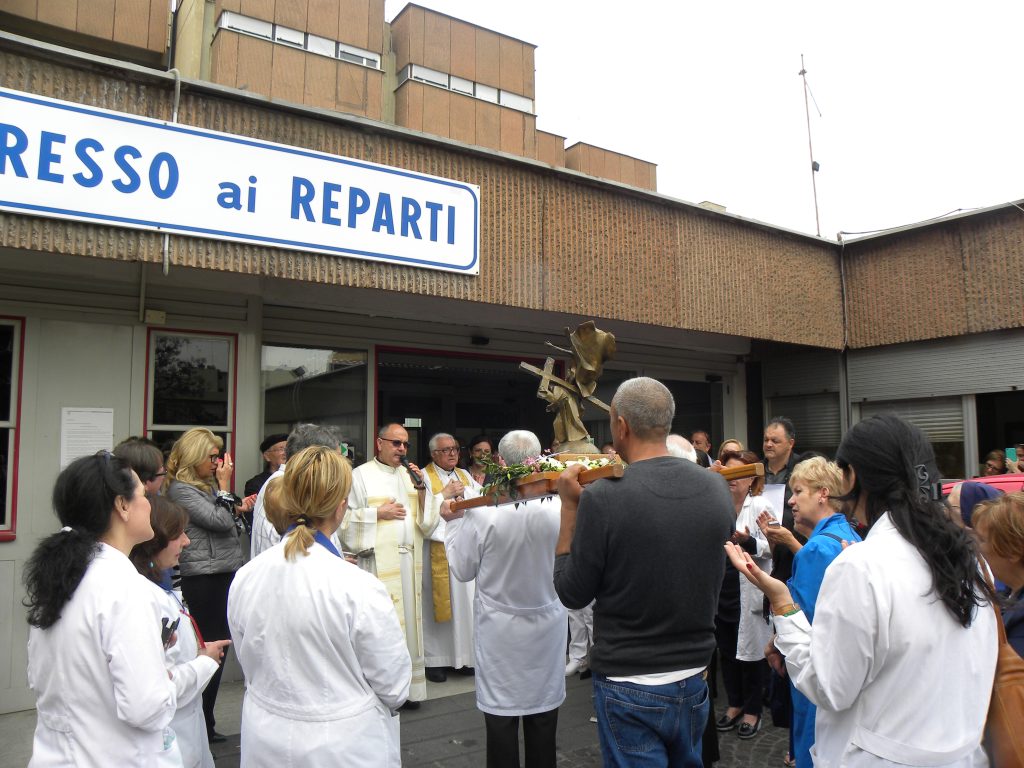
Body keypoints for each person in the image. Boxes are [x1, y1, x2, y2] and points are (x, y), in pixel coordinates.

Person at [726, 413, 997, 766]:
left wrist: (783, 606)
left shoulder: (861, 564)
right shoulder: (971, 561)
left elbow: (828, 687)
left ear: (851, 477)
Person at [554, 377, 734, 767]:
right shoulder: (717, 489)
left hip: (628, 678)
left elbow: (572, 592)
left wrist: (570, 508)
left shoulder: (603, 497)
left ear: (621, 426)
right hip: (694, 673)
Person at [228, 446, 411, 767]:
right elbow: (394, 686)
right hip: (341, 744)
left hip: (265, 736)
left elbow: (249, 658)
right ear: (341, 507)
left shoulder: (247, 576)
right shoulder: (358, 586)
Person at [24, 452, 178, 767]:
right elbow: (146, 707)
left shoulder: (63, 576)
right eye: (144, 495)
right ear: (122, 505)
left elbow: (52, 674)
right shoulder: (124, 586)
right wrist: (164, 678)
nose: (150, 503)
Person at [443, 430, 567, 768]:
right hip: (545, 622)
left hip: (501, 630)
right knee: (543, 716)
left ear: (500, 462)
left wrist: (452, 523)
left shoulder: (483, 510)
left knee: (502, 719)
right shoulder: (559, 507)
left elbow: (462, 568)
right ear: (539, 459)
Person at [766, 457, 861, 768]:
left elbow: (803, 626)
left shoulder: (817, 549)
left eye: (798, 491)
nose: (791, 500)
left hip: (816, 682)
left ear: (823, 494)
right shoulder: (849, 534)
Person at [341, 422, 438, 707]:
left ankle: (410, 690)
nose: (402, 449)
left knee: (411, 625)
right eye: (396, 443)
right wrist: (376, 513)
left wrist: (422, 490)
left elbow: (428, 521)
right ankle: (384, 688)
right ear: (379, 443)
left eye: (406, 444)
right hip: (379, 567)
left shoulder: (412, 475)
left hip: (409, 564)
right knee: (385, 625)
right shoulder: (359, 476)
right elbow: (343, 520)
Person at [165, 427, 253, 743]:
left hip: (222, 571)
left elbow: (236, 522)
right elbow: (220, 521)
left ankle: (207, 722)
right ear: (194, 457)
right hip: (204, 576)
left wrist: (230, 502)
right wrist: (226, 488)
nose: (217, 463)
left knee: (220, 647)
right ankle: (200, 724)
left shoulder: (204, 488)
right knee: (209, 649)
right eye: (212, 457)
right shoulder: (181, 490)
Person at [130, 496, 230, 768]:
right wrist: (205, 662)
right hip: (169, 743)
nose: (187, 541)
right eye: (178, 534)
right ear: (154, 540)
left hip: (185, 736)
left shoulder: (161, 590)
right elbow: (157, 690)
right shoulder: (143, 599)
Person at [714, 449, 779, 740]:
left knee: (752, 655)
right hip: (721, 589)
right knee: (727, 651)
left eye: (737, 473)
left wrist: (749, 540)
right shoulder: (715, 503)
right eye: (727, 473)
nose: (732, 479)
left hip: (749, 588)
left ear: (751, 477)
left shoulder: (761, 505)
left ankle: (753, 710)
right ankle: (734, 704)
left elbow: (774, 545)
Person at [421, 432, 478, 681]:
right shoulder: (422, 476)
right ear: (434, 454)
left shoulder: (465, 475)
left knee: (464, 605)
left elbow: (480, 499)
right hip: (437, 547)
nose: (453, 453)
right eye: (446, 450)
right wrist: (443, 494)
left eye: (455, 448)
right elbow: (420, 511)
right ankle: (436, 661)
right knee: (438, 607)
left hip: (462, 545)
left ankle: (464, 658)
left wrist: (467, 495)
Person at [250, 423, 343, 559]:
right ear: (315, 458)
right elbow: (281, 555)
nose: (340, 466)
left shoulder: (299, 483)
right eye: (336, 459)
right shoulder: (282, 486)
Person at [972, 492, 1024, 658]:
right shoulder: (1009, 593)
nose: (975, 548)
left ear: (1013, 550)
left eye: (981, 540)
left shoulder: (1020, 617)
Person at [243, 433, 288, 497]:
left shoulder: (297, 478)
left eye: (288, 449)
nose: (286, 452)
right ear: (267, 456)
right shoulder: (256, 484)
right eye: (281, 449)